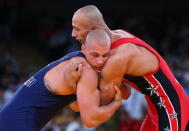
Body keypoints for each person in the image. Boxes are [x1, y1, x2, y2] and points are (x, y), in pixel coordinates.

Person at [72, 5, 189, 131]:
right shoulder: (117, 36)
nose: (73, 34)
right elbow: (125, 93)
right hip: (157, 107)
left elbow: (95, 109)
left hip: (171, 107)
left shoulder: (118, 58)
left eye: (77, 29)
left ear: (94, 29)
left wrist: (71, 90)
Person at [0, 30, 121, 131]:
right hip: (19, 121)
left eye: (105, 55)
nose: (100, 61)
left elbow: (75, 107)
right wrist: (115, 105)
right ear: (84, 49)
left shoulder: (73, 58)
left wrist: (74, 89)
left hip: (10, 116)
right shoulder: (83, 67)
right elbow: (90, 120)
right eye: (95, 55)